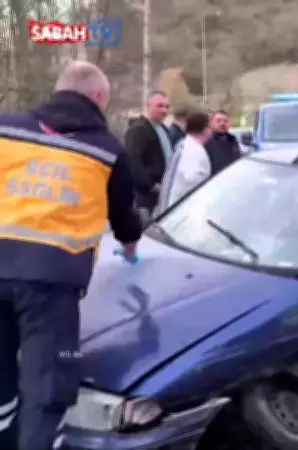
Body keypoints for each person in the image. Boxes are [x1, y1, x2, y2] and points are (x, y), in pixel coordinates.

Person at [0, 61, 142, 450]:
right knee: (46, 391)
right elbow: (123, 215)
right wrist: (131, 246)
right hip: (51, 285)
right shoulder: (106, 150)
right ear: (97, 97)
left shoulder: (5, 129)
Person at [124, 90, 172, 218]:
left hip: (164, 194)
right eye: (160, 106)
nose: (164, 110)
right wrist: (151, 186)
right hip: (147, 198)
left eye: (167, 106)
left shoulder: (163, 129)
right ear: (148, 106)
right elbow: (134, 162)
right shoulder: (138, 130)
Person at [156, 110, 213, 212]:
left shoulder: (184, 144)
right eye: (210, 127)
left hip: (172, 207)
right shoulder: (195, 151)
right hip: (183, 210)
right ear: (205, 129)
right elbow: (195, 183)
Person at [205, 110, 241, 175]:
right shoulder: (206, 142)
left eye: (225, 121)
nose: (222, 123)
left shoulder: (233, 140)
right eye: (218, 121)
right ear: (211, 123)